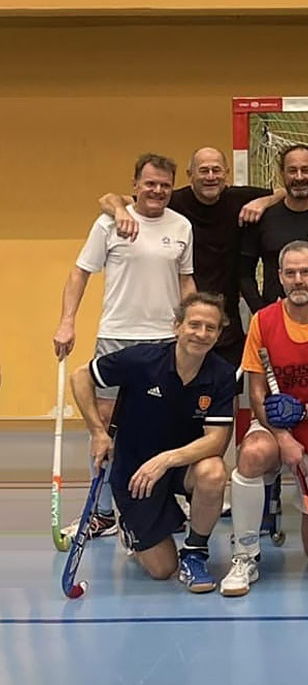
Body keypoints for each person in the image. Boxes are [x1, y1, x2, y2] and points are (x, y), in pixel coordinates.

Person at [53, 153, 197, 539]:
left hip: (166, 340)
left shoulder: (181, 226)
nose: (157, 190)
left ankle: (166, 501)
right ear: (135, 185)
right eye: (150, 183)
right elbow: (80, 273)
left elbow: (186, 280)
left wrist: (193, 325)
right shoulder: (108, 223)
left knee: (166, 424)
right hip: (117, 335)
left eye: (165, 185)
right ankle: (102, 512)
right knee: (105, 426)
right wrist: (67, 321)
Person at [221, 241, 308, 597]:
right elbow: (256, 394)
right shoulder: (263, 320)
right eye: (290, 273)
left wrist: (304, 411)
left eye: (305, 272)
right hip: (276, 426)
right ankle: (245, 555)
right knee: (253, 453)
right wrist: (282, 435)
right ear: (280, 277)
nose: (298, 280)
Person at [68, 293, 235, 592]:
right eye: (194, 324)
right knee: (162, 569)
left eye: (210, 328)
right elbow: (81, 376)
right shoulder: (142, 360)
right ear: (177, 326)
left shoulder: (221, 374)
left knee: (213, 471)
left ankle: (195, 553)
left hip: (180, 466)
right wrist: (98, 432)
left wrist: (166, 460)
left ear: (218, 334)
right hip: (136, 473)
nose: (201, 334)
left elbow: (216, 441)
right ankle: (133, 529)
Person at [99, 147, 284, 366]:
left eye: (216, 170)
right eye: (203, 170)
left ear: (227, 173)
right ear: (190, 175)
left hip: (226, 322)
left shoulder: (240, 198)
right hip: (184, 324)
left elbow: (283, 193)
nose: (211, 176)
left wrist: (263, 202)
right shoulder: (172, 202)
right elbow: (108, 199)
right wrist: (120, 212)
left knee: (226, 384)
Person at [240, 144, 308, 314]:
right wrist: (261, 311)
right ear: (281, 174)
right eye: (292, 170)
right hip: (276, 318)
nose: (299, 177)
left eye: (305, 170)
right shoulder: (262, 218)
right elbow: (244, 274)